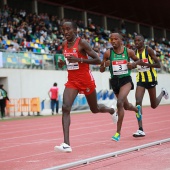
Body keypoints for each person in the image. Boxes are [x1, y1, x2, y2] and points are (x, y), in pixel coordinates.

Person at [54, 21, 117, 153]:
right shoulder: (64, 44)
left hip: (86, 80)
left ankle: (111, 110)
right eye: (63, 30)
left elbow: (98, 60)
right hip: (72, 81)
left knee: (95, 109)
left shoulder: (82, 43)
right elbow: (68, 61)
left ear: (75, 30)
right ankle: (66, 144)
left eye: (68, 29)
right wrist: (62, 64)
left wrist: (80, 60)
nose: (65, 32)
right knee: (65, 108)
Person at [100, 32, 142, 142]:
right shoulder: (108, 53)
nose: (113, 41)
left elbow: (139, 60)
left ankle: (118, 133)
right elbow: (101, 69)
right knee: (126, 106)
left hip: (126, 80)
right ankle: (136, 110)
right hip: (114, 81)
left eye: (115, 39)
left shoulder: (128, 51)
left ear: (120, 40)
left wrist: (133, 64)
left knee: (119, 102)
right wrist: (105, 64)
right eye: (111, 39)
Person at [133, 34, 169, 137]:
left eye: (138, 40)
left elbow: (158, 65)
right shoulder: (134, 53)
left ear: (143, 41)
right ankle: (140, 129)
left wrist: (147, 65)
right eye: (135, 41)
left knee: (153, 105)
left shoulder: (149, 51)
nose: (136, 42)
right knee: (138, 102)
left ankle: (163, 93)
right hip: (140, 80)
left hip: (151, 79)